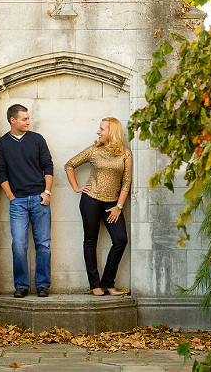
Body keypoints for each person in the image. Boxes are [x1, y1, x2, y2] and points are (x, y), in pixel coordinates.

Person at [64, 117, 132, 296]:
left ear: (113, 132)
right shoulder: (94, 151)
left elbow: (126, 182)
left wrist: (119, 206)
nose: (98, 132)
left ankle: (108, 283)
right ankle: (95, 285)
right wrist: (77, 187)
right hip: (91, 200)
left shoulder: (125, 153)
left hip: (112, 204)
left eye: (102, 129)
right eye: (99, 129)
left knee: (120, 240)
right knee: (90, 241)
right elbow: (69, 165)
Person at [0, 104, 54, 298]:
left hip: (40, 199)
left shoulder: (37, 139)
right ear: (13, 120)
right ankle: (21, 285)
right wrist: (11, 197)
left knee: (43, 244)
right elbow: (1, 171)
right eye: (24, 119)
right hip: (18, 202)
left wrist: (46, 192)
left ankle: (43, 285)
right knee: (19, 245)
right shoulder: (3, 142)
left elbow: (48, 165)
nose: (28, 122)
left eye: (29, 118)